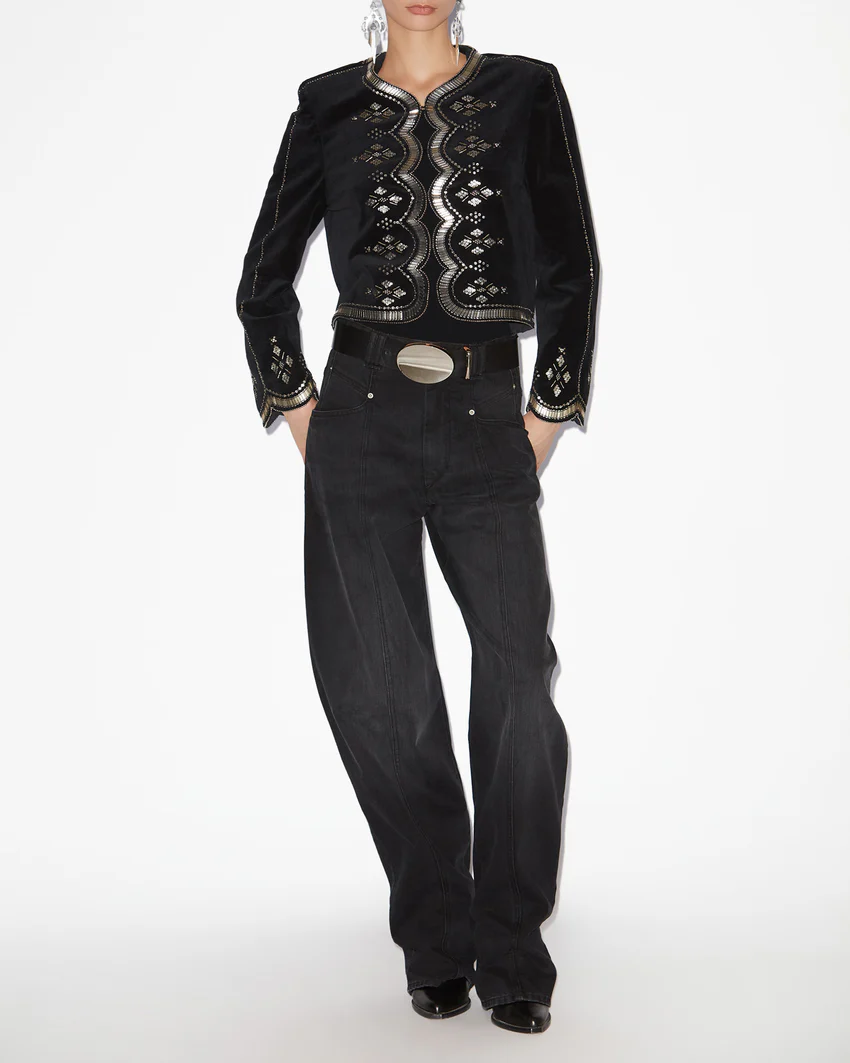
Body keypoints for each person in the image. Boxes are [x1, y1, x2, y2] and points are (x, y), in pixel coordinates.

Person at [235, 0, 601, 1036]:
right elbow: (263, 281)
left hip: (488, 415)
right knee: (380, 690)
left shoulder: (526, 90)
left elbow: (571, 265)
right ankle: (436, 936)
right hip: (359, 418)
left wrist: (547, 415)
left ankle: (512, 942)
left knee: (518, 677)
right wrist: (300, 411)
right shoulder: (325, 106)